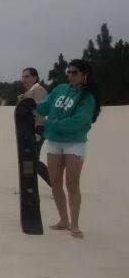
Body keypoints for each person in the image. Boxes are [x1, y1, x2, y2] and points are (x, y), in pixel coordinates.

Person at [36, 59, 101, 239]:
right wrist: (31, 103)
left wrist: (53, 124)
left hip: (74, 142)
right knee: (55, 181)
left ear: (84, 75)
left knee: (72, 184)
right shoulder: (60, 89)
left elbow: (80, 120)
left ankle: (75, 224)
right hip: (54, 142)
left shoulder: (88, 97)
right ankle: (63, 220)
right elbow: (45, 106)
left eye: (75, 72)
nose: (71, 76)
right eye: (69, 72)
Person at [17, 67, 50, 185]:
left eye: (27, 76)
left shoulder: (39, 90)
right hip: (29, 130)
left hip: (38, 129)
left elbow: (39, 112)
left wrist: (24, 100)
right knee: (28, 158)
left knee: (33, 159)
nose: (24, 79)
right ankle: (29, 187)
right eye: (22, 77)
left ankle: (55, 185)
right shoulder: (29, 92)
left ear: (35, 78)